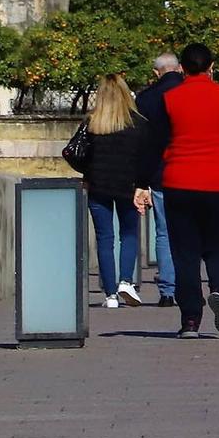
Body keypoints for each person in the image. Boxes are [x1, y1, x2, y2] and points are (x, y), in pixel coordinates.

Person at [135, 43, 219, 338]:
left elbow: (153, 144)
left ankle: (190, 319)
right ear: (211, 66)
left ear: (182, 68)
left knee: (185, 253)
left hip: (179, 182)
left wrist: (141, 183)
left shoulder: (170, 99)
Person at [67, 73, 148, 309]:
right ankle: (126, 280)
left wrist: (88, 172)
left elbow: (73, 151)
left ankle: (110, 294)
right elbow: (145, 158)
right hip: (128, 185)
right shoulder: (139, 123)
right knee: (129, 234)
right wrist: (143, 185)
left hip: (98, 185)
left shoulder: (93, 123)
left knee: (105, 238)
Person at [133, 53, 184, 307]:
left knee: (164, 232)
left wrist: (141, 181)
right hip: (191, 171)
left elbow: (143, 143)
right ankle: (188, 284)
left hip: (160, 173)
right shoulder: (190, 92)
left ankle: (167, 289)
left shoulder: (145, 98)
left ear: (156, 72)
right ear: (180, 68)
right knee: (189, 232)